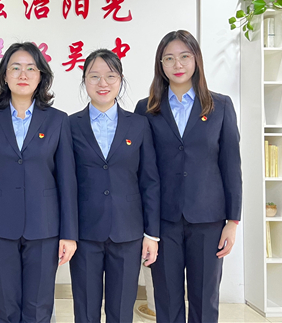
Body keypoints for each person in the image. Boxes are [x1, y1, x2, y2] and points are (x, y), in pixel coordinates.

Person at [135, 30, 242, 323]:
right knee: (166, 301)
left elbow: (231, 166)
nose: (177, 64)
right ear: (160, 64)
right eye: (169, 58)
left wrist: (232, 222)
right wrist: (146, 226)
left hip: (209, 220)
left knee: (205, 301)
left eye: (184, 56)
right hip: (163, 222)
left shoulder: (220, 106)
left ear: (196, 60)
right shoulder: (146, 109)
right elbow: (143, 170)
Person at [0, 42, 78, 323]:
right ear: (4, 75)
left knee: (39, 309)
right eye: (15, 68)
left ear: (41, 76)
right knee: (5, 308)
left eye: (31, 68)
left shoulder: (58, 121)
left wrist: (69, 234)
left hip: (44, 228)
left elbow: (67, 182)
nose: (23, 74)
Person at [69, 49, 161, 323]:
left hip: (127, 233)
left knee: (121, 312)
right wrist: (67, 232)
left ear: (120, 80)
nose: (103, 83)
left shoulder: (139, 125)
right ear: (84, 81)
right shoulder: (69, 125)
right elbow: (65, 182)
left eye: (110, 76)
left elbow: (150, 181)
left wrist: (152, 234)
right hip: (85, 233)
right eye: (94, 76)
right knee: (85, 311)